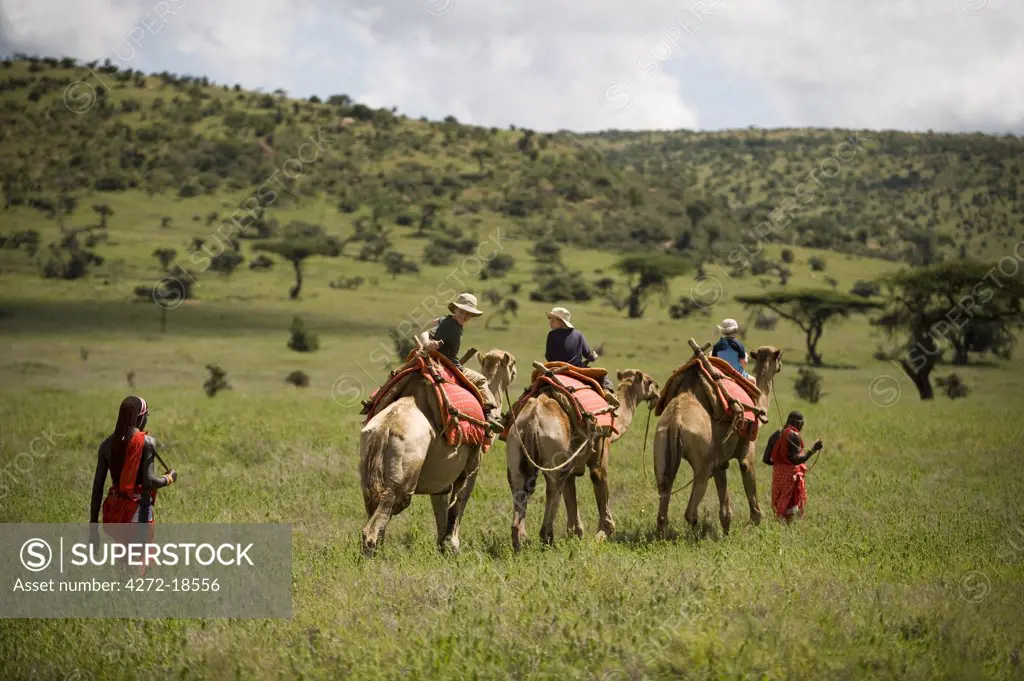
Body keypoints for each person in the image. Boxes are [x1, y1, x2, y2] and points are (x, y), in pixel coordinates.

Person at [90, 397, 177, 568]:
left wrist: (93, 530)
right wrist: (169, 478)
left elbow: (97, 489)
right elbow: (149, 481)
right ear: (140, 417)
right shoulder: (146, 442)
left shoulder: (106, 445)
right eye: (146, 416)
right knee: (141, 564)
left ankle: (121, 593)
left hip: (115, 512)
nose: (146, 420)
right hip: (139, 511)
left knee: (123, 562)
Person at [417, 293, 504, 433]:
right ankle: (488, 415)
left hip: (445, 362)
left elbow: (441, 323)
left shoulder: (452, 322)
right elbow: (425, 333)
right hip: (450, 365)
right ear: (455, 310)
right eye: (462, 312)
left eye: (468, 314)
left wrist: (439, 321)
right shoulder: (450, 324)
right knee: (481, 379)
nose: (464, 316)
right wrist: (427, 342)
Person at [544, 307, 619, 408]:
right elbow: (588, 355)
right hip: (576, 370)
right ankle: (607, 391)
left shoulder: (551, 335)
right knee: (602, 375)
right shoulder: (578, 335)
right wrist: (593, 357)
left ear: (561, 322)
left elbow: (548, 356)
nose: (550, 323)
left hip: (556, 369)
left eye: (552, 320)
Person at [763, 410, 822, 522]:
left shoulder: (775, 434)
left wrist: (780, 466)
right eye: (801, 424)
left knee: (779, 506)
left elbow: (766, 459)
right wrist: (814, 449)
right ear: (796, 422)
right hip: (790, 477)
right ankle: (787, 531)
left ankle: (780, 529)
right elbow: (797, 460)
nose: (801, 427)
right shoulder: (793, 435)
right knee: (791, 509)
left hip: (777, 476)